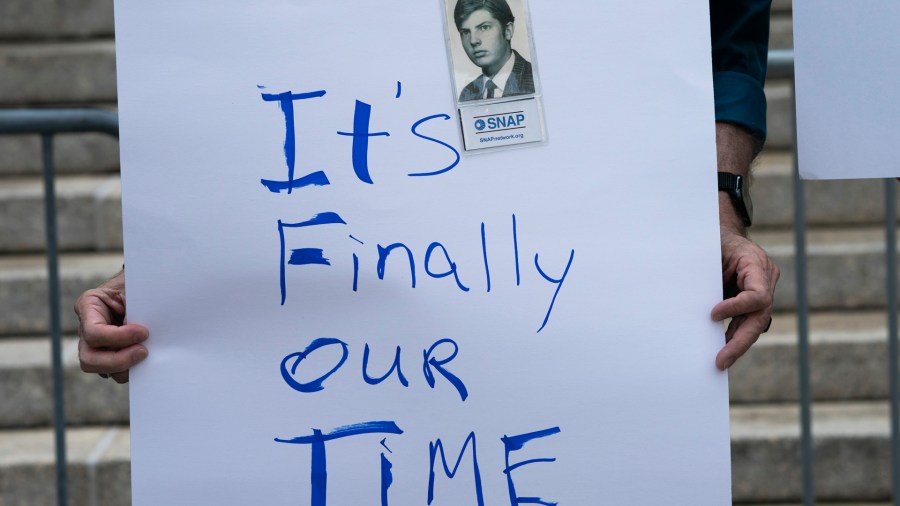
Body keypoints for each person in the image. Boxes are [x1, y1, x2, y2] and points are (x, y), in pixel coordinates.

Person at [75, 0, 779, 383]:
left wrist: (718, 206)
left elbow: (727, 45)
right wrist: (179, 272)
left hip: (577, 303)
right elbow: (239, 60)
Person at [454, 0, 535, 102]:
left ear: (507, 31)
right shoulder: (467, 94)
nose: (473, 40)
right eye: (465, 32)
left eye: (484, 27)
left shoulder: (535, 80)